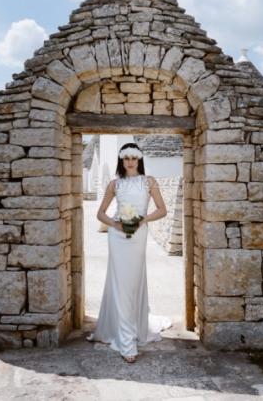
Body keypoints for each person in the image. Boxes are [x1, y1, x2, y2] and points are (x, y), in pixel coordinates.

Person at [87, 143, 172, 363]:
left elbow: (162, 210)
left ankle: (135, 328)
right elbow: (101, 214)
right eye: (126, 158)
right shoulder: (114, 184)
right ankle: (127, 343)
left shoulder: (149, 182)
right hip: (117, 237)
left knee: (133, 283)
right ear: (122, 161)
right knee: (121, 284)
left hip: (139, 235)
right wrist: (116, 225)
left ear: (139, 160)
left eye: (134, 158)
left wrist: (143, 219)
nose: (130, 162)